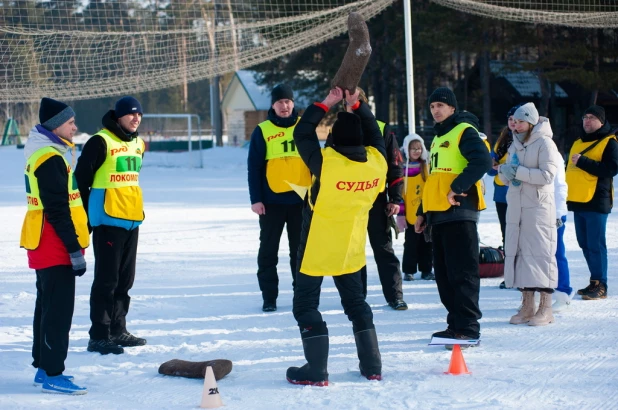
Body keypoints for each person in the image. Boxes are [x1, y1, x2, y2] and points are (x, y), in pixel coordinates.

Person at [286, 87, 387, 386]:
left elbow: (302, 133)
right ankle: (372, 366)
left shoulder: (326, 164)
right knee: (356, 304)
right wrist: (358, 105)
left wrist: (326, 103)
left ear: (333, 138)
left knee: (305, 305)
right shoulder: (377, 163)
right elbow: (376, 136)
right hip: (350, 244)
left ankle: (316, 370)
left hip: (316, 243)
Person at [21, 97, 89, 394]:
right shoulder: (50, 157)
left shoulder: (47, 151)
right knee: (58, 312)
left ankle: (43, 366)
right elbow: (59, 210)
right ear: (56, 125)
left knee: (47, 308)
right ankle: (53, 372)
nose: (75, 127)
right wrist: (74, 250)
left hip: (47, 241)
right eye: (71, 122)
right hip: (54, 244)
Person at [414, 87, 491, 345]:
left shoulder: (464, 131)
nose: (435, 110)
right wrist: (422, 212)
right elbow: (434, 180)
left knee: (463, 273)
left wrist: (458, 187)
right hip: (438, 214)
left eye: (441, 106)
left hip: (460, 212)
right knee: (445, 276)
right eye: (432, 106)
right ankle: (455, 324)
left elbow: (481, 162)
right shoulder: (437, 138)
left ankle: (468, 327)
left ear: (452, 108)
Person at [75, 96, 147, 355]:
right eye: (130, 114)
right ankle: (99, 335)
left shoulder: (139, 144)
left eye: (139, 114)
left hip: (131, 219)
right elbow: (81, 180)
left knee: (125, 281)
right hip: (106, 219)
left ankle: (118, 330)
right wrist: (83, 219)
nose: (135, 118)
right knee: (106, 280)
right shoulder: (100, 141)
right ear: (118, 116)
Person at [330, 88, 407, 310]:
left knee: (383, 249)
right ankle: (357, 297)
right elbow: (330, 165)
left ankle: (395, 296)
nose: (351, 107)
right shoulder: (338, 128)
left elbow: (395, 165)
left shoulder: (381, 128)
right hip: (349, 200)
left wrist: (395, 198)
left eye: (355, 103)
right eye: (347, 104)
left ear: (362, 104)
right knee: (353, 250)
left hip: (376, 199)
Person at [247, 84, 310, 312]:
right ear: (272, 105)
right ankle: (269, 297)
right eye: (279, 102)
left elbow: (315, 162)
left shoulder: (304, 127)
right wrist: (256, 199)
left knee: (300, 252)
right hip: (271, 203)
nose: (284, 106)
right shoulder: (262, 130)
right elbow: (253, 167)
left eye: (288, 101)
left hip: (300, 201)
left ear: (293, 103)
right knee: (268, 252)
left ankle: (301, 295)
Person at [499, 103, 559, 326]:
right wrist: (505, 173)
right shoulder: (515, 144)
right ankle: (527, 305)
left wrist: (518, 172)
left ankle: (546, 307)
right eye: (515, 121)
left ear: (531, 122)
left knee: (540, 254)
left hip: (538, 208)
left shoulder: (545, 143)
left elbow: (547, 175)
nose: (516, 125)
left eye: (521, 121)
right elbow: (507, 173)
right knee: (520, 254)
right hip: (516, 206)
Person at [566, 105, 618, 300]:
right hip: (578, 199)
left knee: (596, 244)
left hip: (597, 200)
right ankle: (594, 281)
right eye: (585, 117)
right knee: (584, 243)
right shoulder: (578, 142)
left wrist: (584, 162)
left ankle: (601, 283)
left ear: (602, 122)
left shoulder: (609, 142)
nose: (587, 121)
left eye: (592, 118)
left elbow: (611, 169)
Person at [487, 105, 520, 289]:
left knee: (521, 234)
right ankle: (510, 274)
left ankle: (522, 273)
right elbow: (491, 169)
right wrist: (492, 165)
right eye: (510, 119)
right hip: (501, 194)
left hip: (520, 193)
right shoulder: (502, 139)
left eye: (516, 119)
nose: (513, 123)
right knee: (507, 234)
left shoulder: (527, 139)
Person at [399, 134, 433, 281]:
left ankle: (426, 269)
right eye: (413, 148)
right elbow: (400, 193)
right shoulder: (402, 169)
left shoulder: (426, 166)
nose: (416, 151)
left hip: (425, 210)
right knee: (411, 243)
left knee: (427, 243)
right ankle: (409, 270)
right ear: (407, 150)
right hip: (410, 213)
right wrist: (400, 213)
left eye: (419, 148)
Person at [552, 150, 572, 311]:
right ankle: (535, 295)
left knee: (557, 252)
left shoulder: (552, 152)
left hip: (553, 212)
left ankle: (563, 293)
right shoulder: (520, 149)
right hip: (533, 211)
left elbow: (560, 185)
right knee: (534, 255)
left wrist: (559, 213)